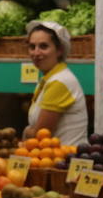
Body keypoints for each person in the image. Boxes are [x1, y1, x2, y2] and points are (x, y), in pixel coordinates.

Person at [21, 20, 89, 148]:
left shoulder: (60, 82)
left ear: (59, 50)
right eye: (32, 47)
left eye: (43, 46)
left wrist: (27, 131)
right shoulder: (50, 78)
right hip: (50, 157)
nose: (36, 53)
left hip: (64, 160)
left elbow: (40, 134)